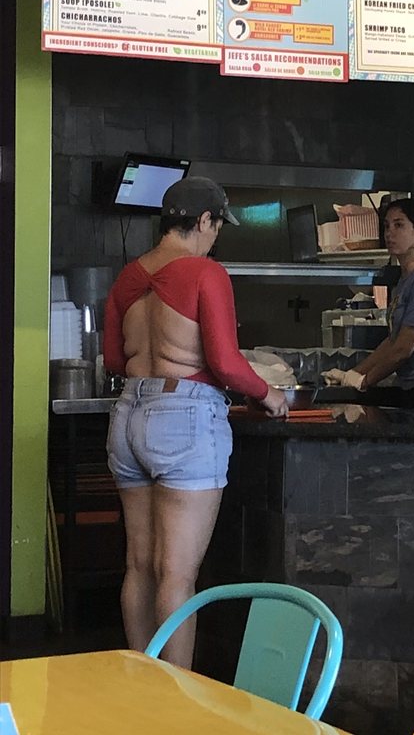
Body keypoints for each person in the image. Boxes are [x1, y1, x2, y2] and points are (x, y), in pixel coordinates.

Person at [103, 176, 287, 669]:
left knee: (139, 565)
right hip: (183, 418)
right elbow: (225, 362)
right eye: (217, 226)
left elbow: (114, 359)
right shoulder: (207, 274)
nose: (215, 237)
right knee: (176, 574)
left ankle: (141, 686)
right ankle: (176, 698)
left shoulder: (128, 278)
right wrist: (267, 394)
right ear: (204, 220)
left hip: (128, 415)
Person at [324, 198, 414, 412]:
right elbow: (393, 341)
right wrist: (353, 374)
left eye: (399, 225)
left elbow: (403, 349)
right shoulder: (405, 278)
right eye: (387, 226)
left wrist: (364, 382)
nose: (389, 233)